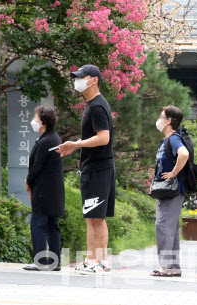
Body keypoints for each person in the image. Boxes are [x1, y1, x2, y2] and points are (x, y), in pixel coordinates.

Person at [56, 65, 115, 275]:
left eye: (82, 77)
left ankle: (102, 261)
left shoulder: (97, 106)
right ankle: (91, 260)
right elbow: (95, 136)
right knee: (91, 216)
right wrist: (76, 145)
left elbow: (104, 138)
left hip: (99, 168)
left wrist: (76, 144)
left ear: (94, 80)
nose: (78, 80)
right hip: (92, 167)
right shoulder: (91, 104)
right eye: (76, 77)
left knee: (97, 217)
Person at [23, 106, 65, 272]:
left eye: (35, 117)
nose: (33, 120)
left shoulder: (46, 141)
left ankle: (40, 261)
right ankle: (55, 262)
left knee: (38, 223)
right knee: (52, 225)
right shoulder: (53, 138)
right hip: (53, 190)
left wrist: (28, 181)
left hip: (43, 189)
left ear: (42, 121)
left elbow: (37, 165)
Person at [150, 106, 189, 277]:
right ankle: (172, 266)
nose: (158, 119)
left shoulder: (173, 139)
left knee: (163, 226)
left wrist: (174, 172)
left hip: (172, 191)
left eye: (161, 116)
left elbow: (184, 154)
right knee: (169, 228)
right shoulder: (166, 140)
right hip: (168, 192)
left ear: (169, 121)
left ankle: (166, 266)